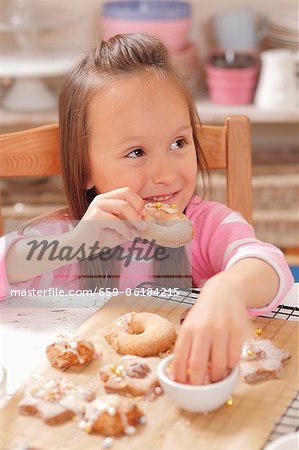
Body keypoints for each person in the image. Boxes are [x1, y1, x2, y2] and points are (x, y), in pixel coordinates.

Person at [0, 34, 293, 385]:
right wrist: (72, 245)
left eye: (178, 143)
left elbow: (268, 266)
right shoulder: (72, 237)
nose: (167, 174)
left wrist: (228, 289)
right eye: (136, 152)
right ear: (85, 167)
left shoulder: (206, 225)